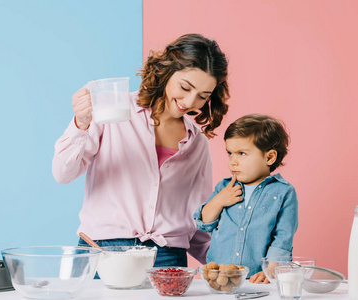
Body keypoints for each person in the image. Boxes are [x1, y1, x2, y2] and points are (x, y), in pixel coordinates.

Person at [52, 33, 230, 267]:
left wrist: (227, 265)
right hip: (103, 250)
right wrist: (81, 123)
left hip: (167, 256)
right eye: (185, 87)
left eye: (202, 96)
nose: (189, 102)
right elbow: (63, 174)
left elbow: (198, 218)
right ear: (168, 71)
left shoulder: (196, 142)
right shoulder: (112, 108)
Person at [193, 114, 298, 283]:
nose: (233, 161)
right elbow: (204, 223)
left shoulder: (283, 192)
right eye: (230, 154)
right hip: (219, 276)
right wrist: (219, 201)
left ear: (269, 157)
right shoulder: (225, 188)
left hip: (255, 278)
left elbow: (283, 237)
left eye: (242, 153)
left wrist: (270, 271)